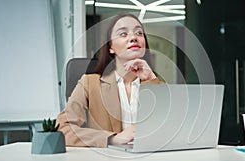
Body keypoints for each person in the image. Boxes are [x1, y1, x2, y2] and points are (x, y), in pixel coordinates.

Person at [56, 13, 164, 148]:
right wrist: (112, 139)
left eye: (139, 33)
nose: (133, 37)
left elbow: (177, 128)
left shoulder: (158, 84)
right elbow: (62, 129)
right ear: (110, 47)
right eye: (123, 34)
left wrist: (152, 80)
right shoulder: (90, 84)